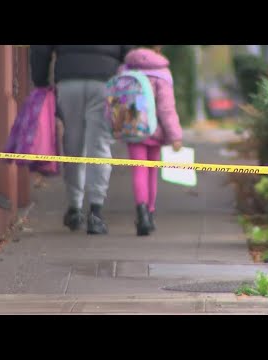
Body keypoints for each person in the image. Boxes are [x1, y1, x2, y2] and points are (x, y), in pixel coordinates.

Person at [30, 45, 134, 235]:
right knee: (99, 145)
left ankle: (75, 209)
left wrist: (40, 81)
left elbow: (40, 49)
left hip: (69, 81)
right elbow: (130, 54)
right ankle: (95, 212)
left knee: (73, 143)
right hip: (106, 82)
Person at [122, 45, 183, 236]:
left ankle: (141, 214)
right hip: (154, 130)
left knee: (138, 170)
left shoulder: (126, 69)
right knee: (151, 172)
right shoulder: (162, 73)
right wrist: (175, 136)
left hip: (132, 128)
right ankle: (150, 213)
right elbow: (166, 109)